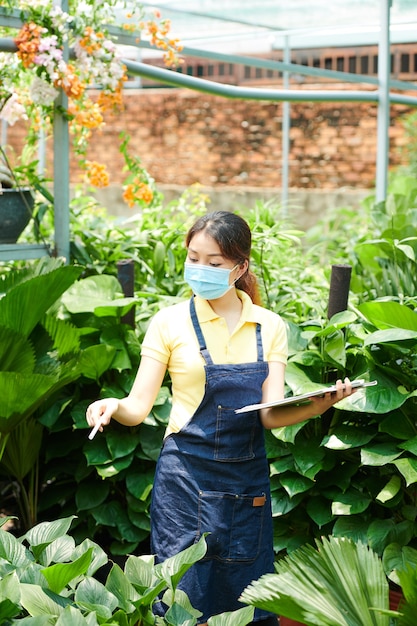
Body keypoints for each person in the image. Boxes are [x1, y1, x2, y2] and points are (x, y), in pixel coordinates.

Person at [86, 210, 354, 625]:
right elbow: (138, 407)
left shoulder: (270, 327)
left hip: (246, 484)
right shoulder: (169, 322)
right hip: (185, 483)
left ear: (240, 266)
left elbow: (270, 415)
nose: (200, 269)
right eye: (194, 258)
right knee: (181, 599)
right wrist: (112, 406)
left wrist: (321, 403)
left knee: (246, 598)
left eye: (213, 263)